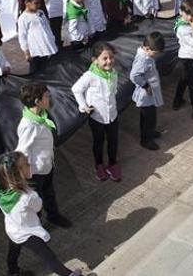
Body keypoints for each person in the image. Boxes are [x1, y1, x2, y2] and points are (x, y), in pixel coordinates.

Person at [0, 151, 82, 276]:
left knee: (13, 250)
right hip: (28, 232)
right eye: (26, 164)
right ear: (18, 173)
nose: (29, 165)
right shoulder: (27, 196)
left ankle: (13, 271)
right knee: (49, 257)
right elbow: (38, 207)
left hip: (13, 228)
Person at [15, 82, 72, 229]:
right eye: (47, 96)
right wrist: (24, 175)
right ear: (37, 101)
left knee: (49, 193)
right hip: (35, 172)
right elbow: (22, 151)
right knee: (36, 201)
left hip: (46, 166)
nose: (49, 98)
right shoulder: (28, 125)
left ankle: (53, 216)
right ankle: (36, 226)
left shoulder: (41, 116)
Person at [72, 42, 122, 181]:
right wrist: (84, 106)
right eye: (104, 58)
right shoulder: (90, 75)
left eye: (111, 58)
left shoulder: (114, 73)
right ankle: (99, 165)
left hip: (112, 115)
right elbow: (76, 89)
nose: (109, 61)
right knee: (98, 142)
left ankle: (112, 164)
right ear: (95, 60)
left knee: (113, 141)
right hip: (97, 117)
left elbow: (114, 90)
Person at [130, 32, 165, 150]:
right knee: (149, 118)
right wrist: (145, 85)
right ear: (146, 48)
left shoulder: (147, 56)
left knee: (147, 117)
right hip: (146, 95)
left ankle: (149, 132)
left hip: (150, 94)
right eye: (155, 53)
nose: (156, 55)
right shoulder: (143, 60)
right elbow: (134, 75)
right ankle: (146, 140)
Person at [18, 0, 58, 74]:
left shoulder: (41, 12)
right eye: (36, 3)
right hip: (35, 50)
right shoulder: (23, 18)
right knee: (35, 71)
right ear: (27, 3)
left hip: (45, 47)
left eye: (39, 3)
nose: (39, 5)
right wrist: (26, 52)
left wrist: (52, 40)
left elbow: (47, 27)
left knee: (46, 69)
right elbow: (22, 36)